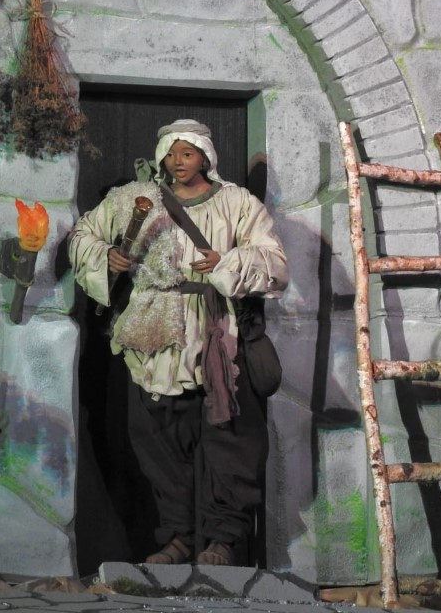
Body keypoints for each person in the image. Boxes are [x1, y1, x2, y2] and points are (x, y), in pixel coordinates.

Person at [69, 119, 288, 566]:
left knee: (229, 443)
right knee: (160, 442)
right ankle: (178, 537)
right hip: (155, 335)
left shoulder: (236, 203)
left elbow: (274, 263)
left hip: (216, 333)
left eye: (187, 154)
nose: (178, 162)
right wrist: (105, 256)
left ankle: (222, 539)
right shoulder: (136, 199)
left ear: (205, 157)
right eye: (171, 154)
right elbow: (81, 236)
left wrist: (226, 262)